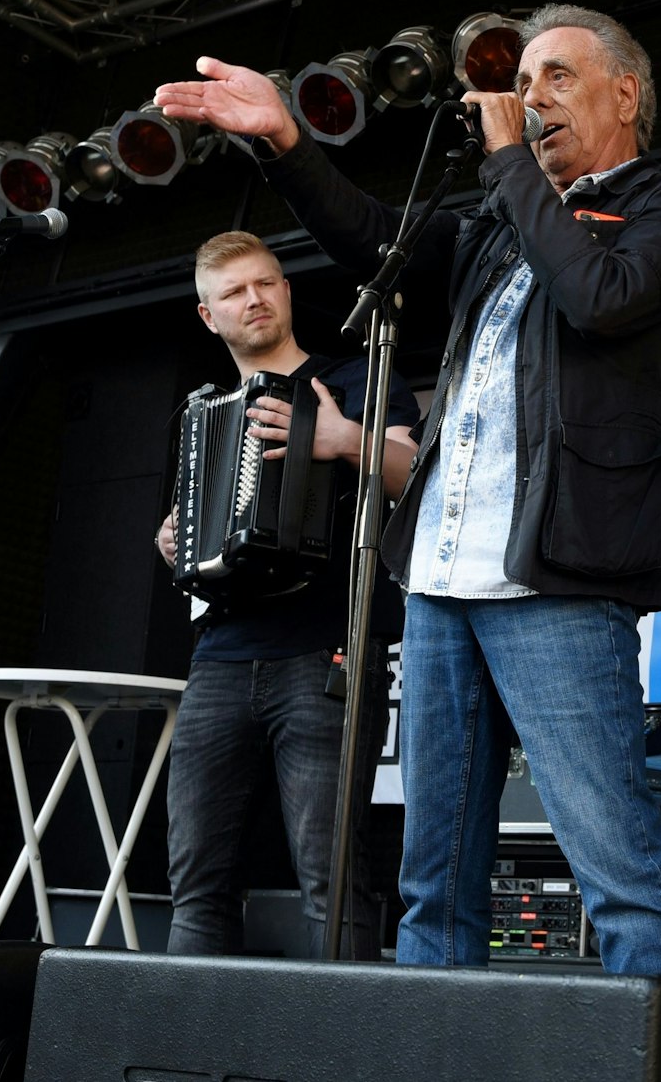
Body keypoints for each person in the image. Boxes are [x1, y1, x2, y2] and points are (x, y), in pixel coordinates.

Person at [155, 4, 661, 975]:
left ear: (624, 94)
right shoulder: (505, 221)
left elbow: (600, 299)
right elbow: (374, 241)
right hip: (436, 579)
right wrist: (286, 143)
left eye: (554, 78)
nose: (524, 97)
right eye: (519, 80)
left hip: (558, 576)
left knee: (617, 872)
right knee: (432, 880)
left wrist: (508, 162)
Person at [153, 230, 419, 957]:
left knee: (332, 879)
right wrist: (176, 544)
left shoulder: (354, 379)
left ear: (286, 290)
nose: (254, 299)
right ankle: (185, 1057)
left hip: (324, 650)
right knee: (196, 880)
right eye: (234, 292)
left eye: (265, 282)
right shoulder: (202, 410)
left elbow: (421, 477)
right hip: (221, 656)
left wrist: (341, 436)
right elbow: (195, 527)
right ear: (210, 317)